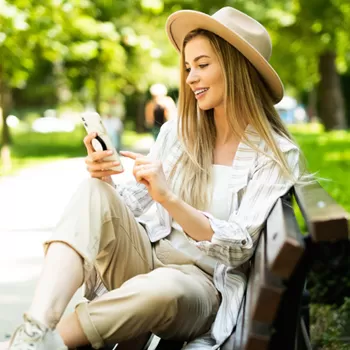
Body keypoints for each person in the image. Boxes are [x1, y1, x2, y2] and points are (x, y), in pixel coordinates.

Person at [3, 6, 305, 350]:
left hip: (201, 287)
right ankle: (34, 332)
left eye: (203, 65)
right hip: (147, 258)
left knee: (162, 288)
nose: (190, 78)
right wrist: (106, 177)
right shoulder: (178, 132)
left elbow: (238, 248)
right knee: (93, 192)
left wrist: (170, 199)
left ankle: (48, 344)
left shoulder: (274, 153)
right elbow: (132, 205)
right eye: (189, 67)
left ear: (238, 69)